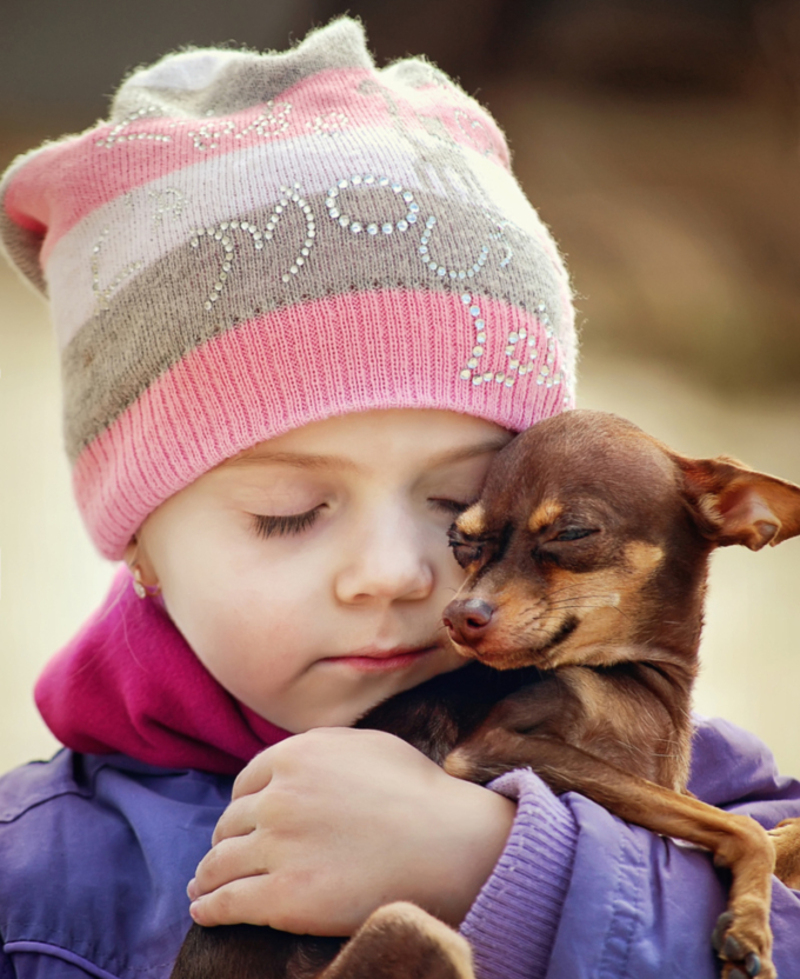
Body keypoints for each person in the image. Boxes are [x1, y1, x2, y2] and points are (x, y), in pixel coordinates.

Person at [0, 16, 798, 979]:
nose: (394, 574)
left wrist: (505, 870)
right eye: (288, 510)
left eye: (463, 509)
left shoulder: (717, 788)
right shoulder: (36, 878)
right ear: (142, 551)